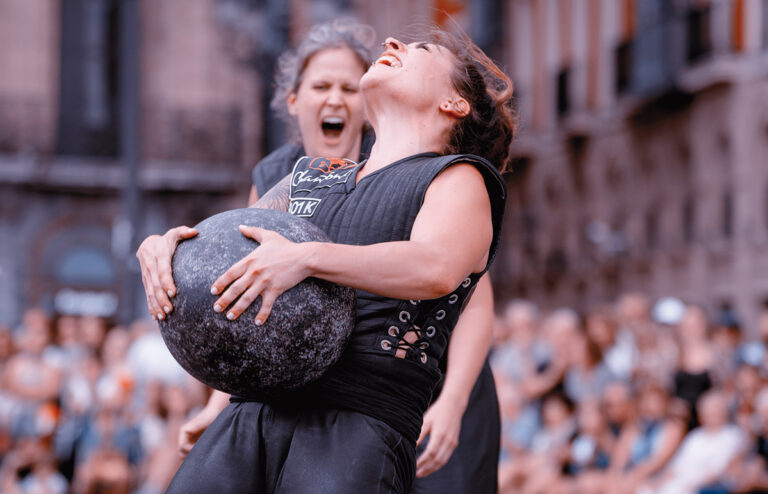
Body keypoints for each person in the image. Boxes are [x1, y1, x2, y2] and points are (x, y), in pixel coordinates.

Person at [137, 25, 514, 493]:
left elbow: (434, 267)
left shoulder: (459, 178)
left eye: (419, 49)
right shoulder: (309, 177)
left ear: (454, 103)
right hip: (252, 412)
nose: (392, 43)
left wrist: (308, 258)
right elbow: (224, 249)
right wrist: (166, 249)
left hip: (356, 427)